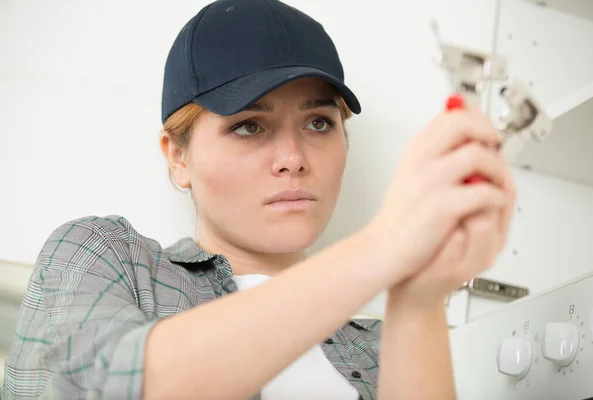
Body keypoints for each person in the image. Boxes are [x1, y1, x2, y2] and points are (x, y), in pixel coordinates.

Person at [2, 0, 515, 399]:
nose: (293, 157)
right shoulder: (105, 255)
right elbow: (101, 387)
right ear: (177, 157)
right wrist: (384, 247)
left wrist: (418, 299)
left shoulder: (375, 347)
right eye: (249, 126)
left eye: (319, 122)